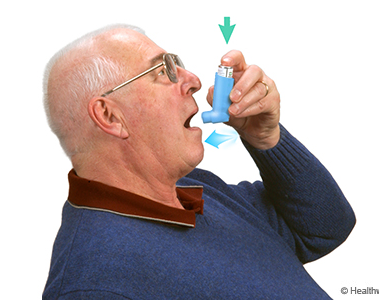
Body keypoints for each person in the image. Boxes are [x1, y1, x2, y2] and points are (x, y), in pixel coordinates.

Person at [42, 24, 356, 299]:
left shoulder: (197, 189)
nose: (192, 80)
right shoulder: (93, 283)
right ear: (110, 115)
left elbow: (325, 228)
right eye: (162, 71)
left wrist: (267, 139)